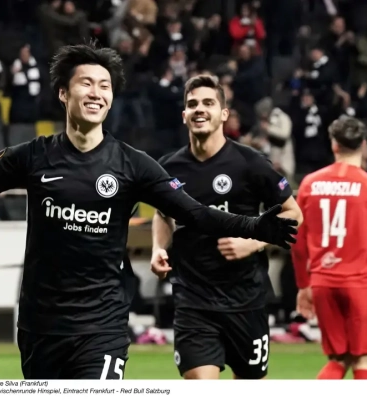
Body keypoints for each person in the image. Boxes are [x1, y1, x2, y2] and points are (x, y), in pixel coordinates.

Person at [0, 43, 297, 380]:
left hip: (102, 327)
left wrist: (256, 227)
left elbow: (195, 214)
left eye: (105, 85)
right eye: (86, 82)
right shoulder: (34, 156)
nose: (96, 92)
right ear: (64, 94)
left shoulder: (133, 165)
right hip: (41, 327)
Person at [150, 75, 303, 380]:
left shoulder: (250, 163)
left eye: (208, 103)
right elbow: (162, 215)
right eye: (192, 104)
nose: (199, 109)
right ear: (184, 115)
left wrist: (253, 242)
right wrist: (157, 248)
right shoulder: (169, 168)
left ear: (223, 114)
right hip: (193, 301)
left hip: (246, 300)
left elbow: (294, 213)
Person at [291, 117, 367, 380]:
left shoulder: (310, 183)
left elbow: (297, 242)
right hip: (360, 283)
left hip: (323, 282)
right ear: (363, 144)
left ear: (334, 145)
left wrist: (304, 285)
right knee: (362, 357)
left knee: (338, 358)